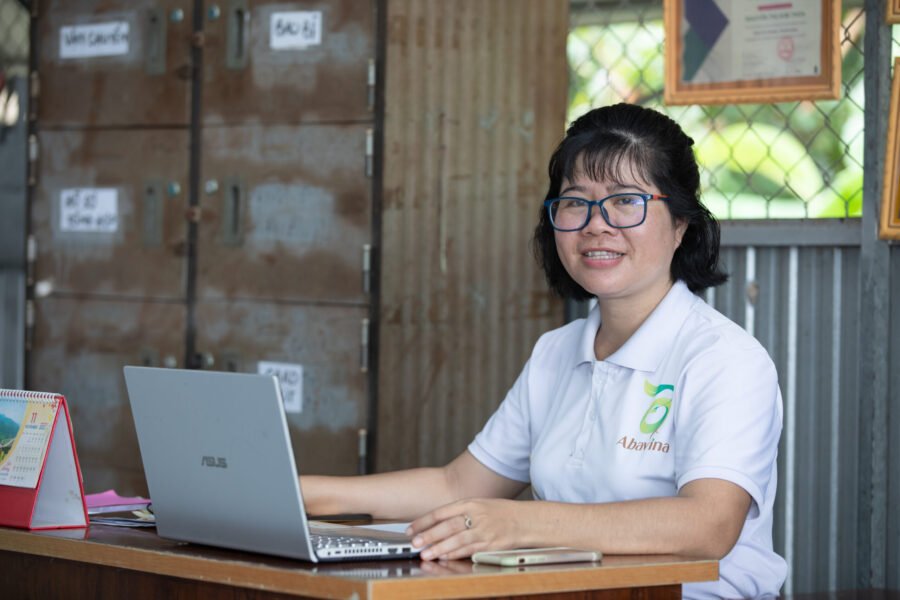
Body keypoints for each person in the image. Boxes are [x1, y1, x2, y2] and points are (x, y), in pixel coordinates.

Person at [301, 103, 787, 598]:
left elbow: (707, 525)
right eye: (575, 202)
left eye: (626, 201)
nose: (597, 224)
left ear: (681, 222)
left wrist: (522, 523)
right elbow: (458, 486)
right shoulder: (556, 352)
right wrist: (301, 495)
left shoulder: (723, 359)